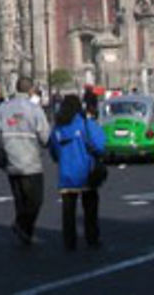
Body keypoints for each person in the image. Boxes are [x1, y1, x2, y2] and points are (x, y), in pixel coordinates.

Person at [0, 76, 50, 246]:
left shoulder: (3, 109)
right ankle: (22, 226)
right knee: (35, 200)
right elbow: (45, 137)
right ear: (30, 90)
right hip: (30, 162)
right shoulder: (34, 109)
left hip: (10, 162)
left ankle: (26, 234)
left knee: (20, 201)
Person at [48, 93, 105, 251]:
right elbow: (100, 145)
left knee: (68, 212)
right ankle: (91, 237)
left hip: (66, 174)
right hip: (86, 172)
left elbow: (53, 150)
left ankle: (69, 241)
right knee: (90, 209)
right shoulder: (86, 124)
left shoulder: (58, 128)